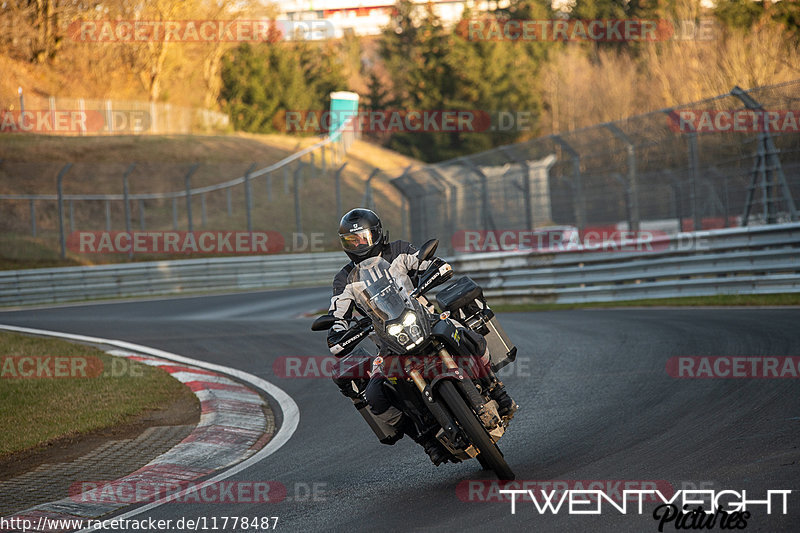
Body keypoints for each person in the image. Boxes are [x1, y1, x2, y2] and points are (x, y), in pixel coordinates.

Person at [325, 207, 516, 466]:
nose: (359, 245)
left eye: (363, 238)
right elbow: (337, 312)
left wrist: (437, 269)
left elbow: (427, 261)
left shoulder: (399, 250)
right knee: (375, 394)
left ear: (377, 234)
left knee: (467, 336)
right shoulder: (345, 280)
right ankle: (425, 439)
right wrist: (337, 331)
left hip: (425, 319)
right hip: (388, 342)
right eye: (352, 241)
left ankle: (495, 388)